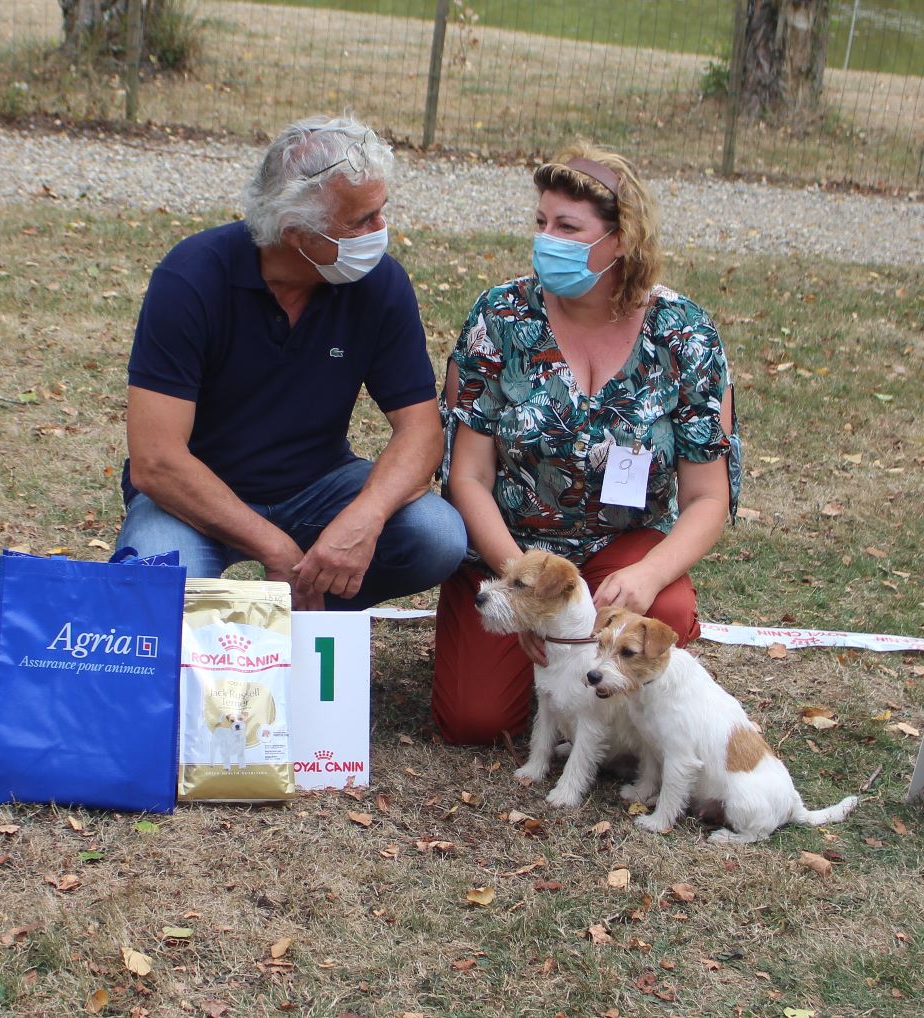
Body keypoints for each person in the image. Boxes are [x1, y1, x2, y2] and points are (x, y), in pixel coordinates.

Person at [433, 141, 741, 744]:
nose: (547, 238)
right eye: (541, 222)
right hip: (511, 550)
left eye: (568, 227)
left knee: (667, 614)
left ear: (621, 239)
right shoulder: (500, 317)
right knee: (475, 722)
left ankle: (614, 715)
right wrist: (520, 589)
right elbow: (466, 475)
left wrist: (651, 574)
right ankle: (524, 657)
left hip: (619, 547)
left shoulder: (686, 333)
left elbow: (709, 497)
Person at [117, 114, 466, 610]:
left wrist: (362, 520)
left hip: (317, 486)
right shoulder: (191, 277)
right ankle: (240, 642)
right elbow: (156, 462)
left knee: (437, 535)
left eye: (380, 210)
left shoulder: (380, 285)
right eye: (362, 219)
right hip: (192, 496)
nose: (381, 230)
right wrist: (275, 548)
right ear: (297, 232)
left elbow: (421, 432)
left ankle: (313, 620)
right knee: (154, 589)